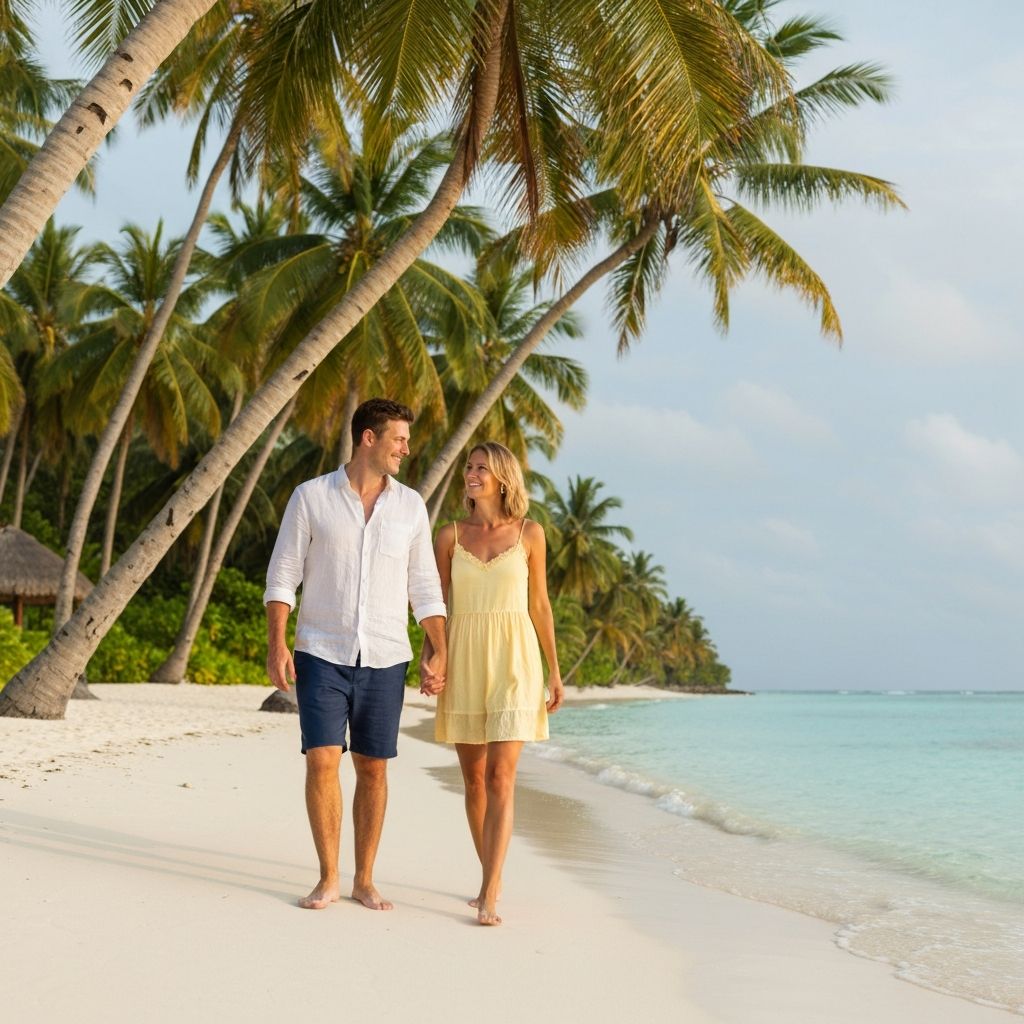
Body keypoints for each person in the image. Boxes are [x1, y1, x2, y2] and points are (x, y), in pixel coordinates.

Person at [264, 397, 447, 912]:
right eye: (399, 440)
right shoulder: (311, 497)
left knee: (373, 767)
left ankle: (364, 879)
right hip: (321, 650)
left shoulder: (410, 507)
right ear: (369, 437)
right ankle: (328, 877)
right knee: (323, 759)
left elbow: (424, 587)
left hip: (386, 656)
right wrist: (277, 644)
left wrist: (440, 650)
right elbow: (283, 575)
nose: (406, 450)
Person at [430, 441, 564, 925]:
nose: (471, 473)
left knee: (500, 777)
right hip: (464, 657)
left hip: (515, 660)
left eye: (481, 467)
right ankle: (491, 871)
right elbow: (436, 604)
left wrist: (554, 669)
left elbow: (540, 605)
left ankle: (489, 890)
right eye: (469, 466)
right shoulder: (449, 535)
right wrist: (432, 657)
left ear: (503, 477)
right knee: (473, 780)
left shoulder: (530, 533)